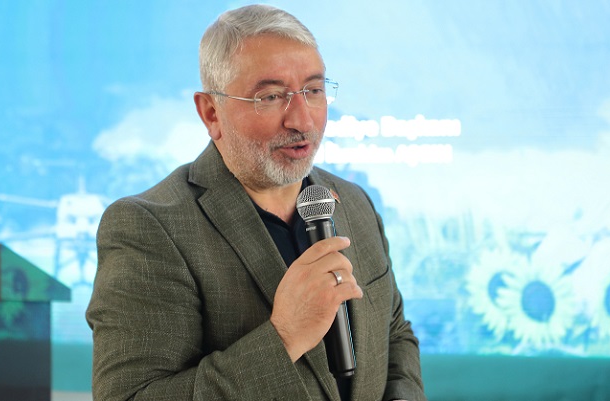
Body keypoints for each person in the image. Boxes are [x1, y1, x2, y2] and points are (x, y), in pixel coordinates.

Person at [86, 4, 426, 400]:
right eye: (271, 96)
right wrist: (284, 337)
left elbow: (394, 337)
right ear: (211, 113)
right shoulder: (148, 227)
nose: (302, 120)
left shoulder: (353, 202)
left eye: (313, 91)